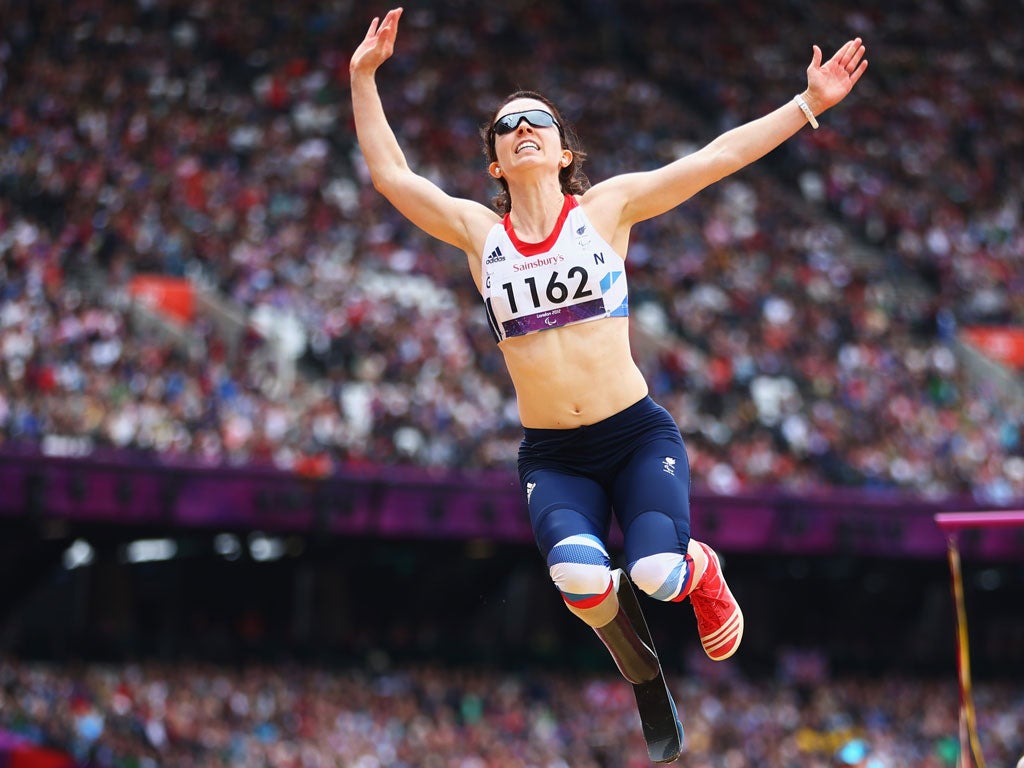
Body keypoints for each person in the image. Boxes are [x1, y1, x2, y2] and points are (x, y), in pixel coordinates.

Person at [350, 7, 867, 679]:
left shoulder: (605, 210)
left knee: (654, 571)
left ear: (563, 151)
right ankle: (603, 611)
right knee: (580, 583)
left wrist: (807, 104)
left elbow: (716, 159)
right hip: (554, 455)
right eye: (508, 126)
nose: (524, 129)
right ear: (495, 164)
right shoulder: (481, 235)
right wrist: (364, 75)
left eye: (538, 120)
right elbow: (393, 176)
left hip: (633, 438)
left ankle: (701, 569)